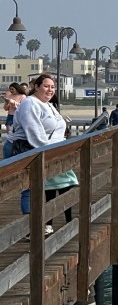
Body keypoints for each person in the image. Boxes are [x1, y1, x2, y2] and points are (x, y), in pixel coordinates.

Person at [9, 73, 78, 232]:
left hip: (51, 150)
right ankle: (33, 228)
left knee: (60, 185)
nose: (50, 90)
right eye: (46, 86)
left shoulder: (48, 104)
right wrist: (50, 151)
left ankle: (55, 223)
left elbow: (58, 128)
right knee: (31, 189)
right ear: (37, 87)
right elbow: (34, 133)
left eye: (52, 87)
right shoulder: (30, 104)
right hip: (30, 149)